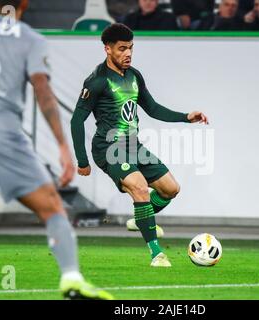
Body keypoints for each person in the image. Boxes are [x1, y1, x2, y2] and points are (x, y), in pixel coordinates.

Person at [0, 0, 113, 300]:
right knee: (53, 208)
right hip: (0, 132)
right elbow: (42, 90)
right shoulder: (29, 37)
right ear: (25, 4)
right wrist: (61, 145)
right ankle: (71, 279)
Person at [70, 23, 208, 267]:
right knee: (141, 188)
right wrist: (82, 160)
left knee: (171, 189)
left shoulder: (134, 76)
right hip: (108, 147)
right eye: (122, 49)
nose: (128, 54)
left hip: (133, 145)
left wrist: (186, 117)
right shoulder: (97, 81)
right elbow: (77, 119)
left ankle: (140, 218)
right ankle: (157, 254)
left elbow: (153, 108)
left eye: (131, 48)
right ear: (107, 49)